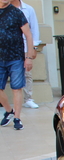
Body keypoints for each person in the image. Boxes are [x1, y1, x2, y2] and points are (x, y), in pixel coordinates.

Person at [0, 0, 36, 130]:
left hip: (16, 58)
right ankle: (9, 111)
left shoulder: (17, 13)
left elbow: (28, 35)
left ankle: (17, 118)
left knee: (16, 88)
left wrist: (29, 57)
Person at [11, 0, 39, 109]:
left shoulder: (28, 9)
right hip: (7, 48)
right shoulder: (3, 8)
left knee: (27, 73)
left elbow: (34, 29)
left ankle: (28, 99)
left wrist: (34, 47)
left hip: (25, 47)